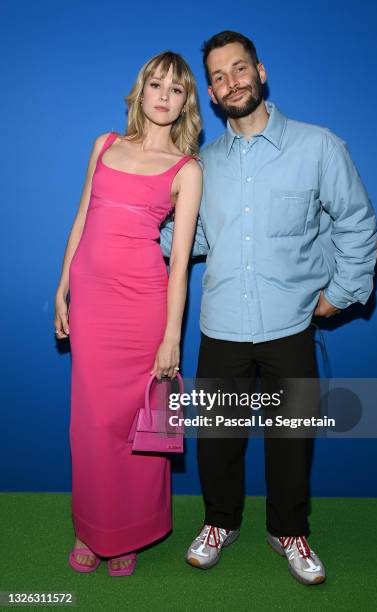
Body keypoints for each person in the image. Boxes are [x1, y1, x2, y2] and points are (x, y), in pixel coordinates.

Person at [160, 31, 377, 585]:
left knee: (291, 441)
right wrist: (140, 222)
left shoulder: (319, 146)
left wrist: (342, 291)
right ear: (209, 93)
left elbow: (356, 222)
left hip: (290, 325)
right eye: (217, 76)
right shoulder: (200, 164)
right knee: (217, 441)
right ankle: (219, 522)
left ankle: (290, 530)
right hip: (223, 324)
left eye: (238, 69)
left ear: (261, 71)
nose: (230, 82)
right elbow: (191, 239)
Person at [54, 51, 202, 576]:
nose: (164, 95)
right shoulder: (105, 145)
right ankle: (90, 529)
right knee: (92, 424)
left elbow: (180, 264)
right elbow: (80, 221)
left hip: (143, 304)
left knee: (134, 426)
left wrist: (171, 336)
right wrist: (62, 287)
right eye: (156, 85)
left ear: (187, 102)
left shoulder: (187, 170)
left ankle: (129, 533)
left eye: (177, 89)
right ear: (140, 91)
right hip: (93, 303)